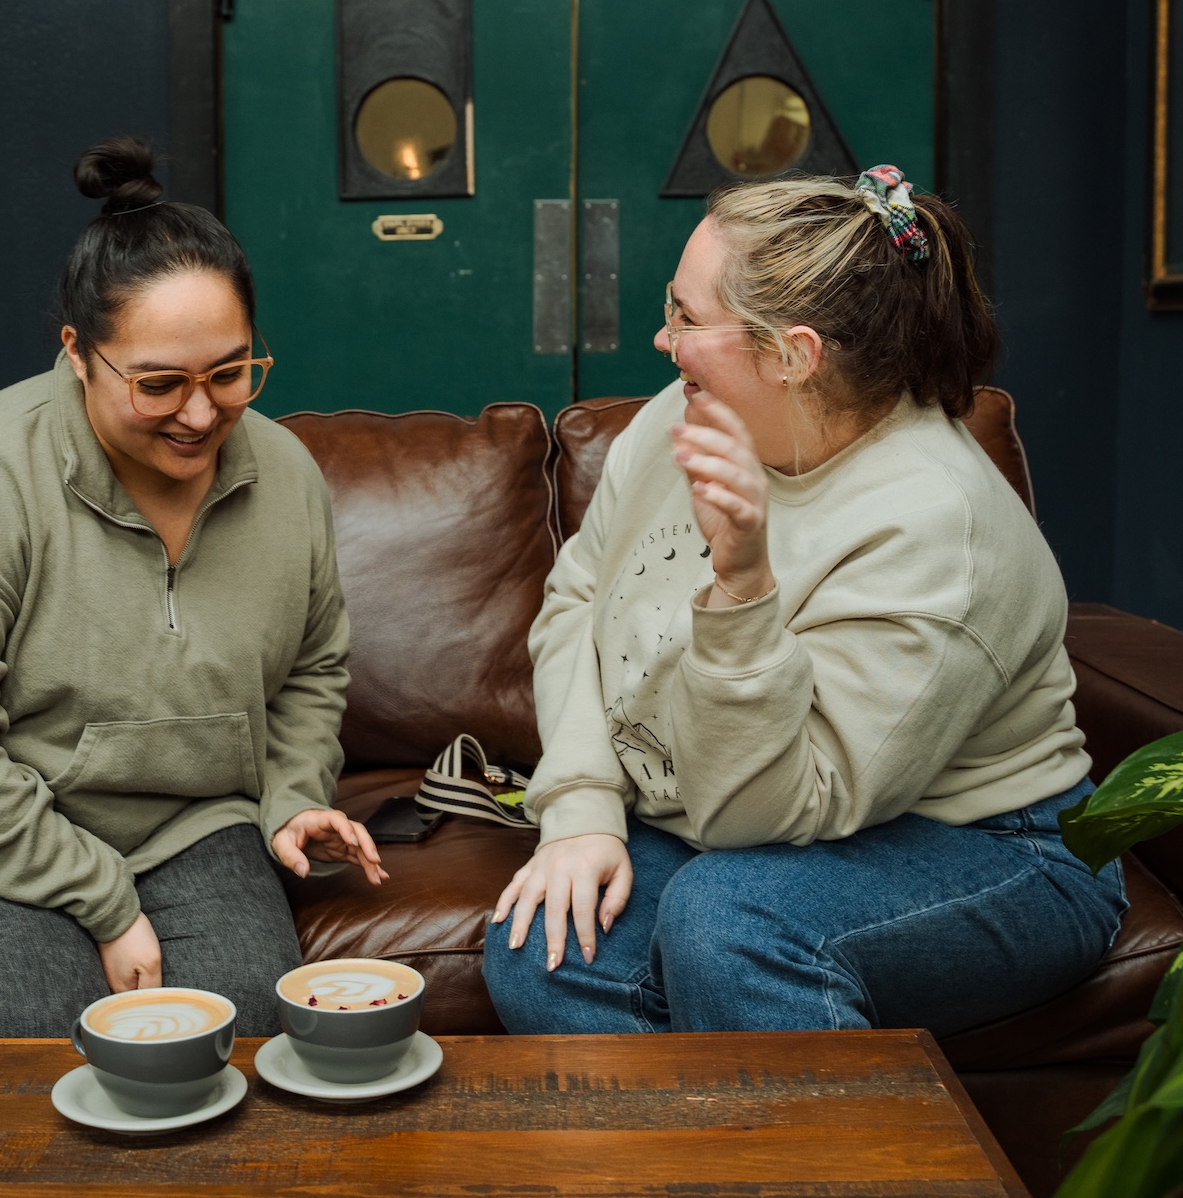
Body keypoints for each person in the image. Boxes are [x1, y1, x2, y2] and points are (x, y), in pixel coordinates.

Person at [482, 166, 1124, 1037]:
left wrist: (742, 585)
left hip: (995, 845)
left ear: (791, 354)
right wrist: (582, 810)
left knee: (733, 920)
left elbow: (766, 814)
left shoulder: (935, 528)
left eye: (687, 317)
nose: (662, 340)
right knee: (545, 944)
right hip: (722, 819)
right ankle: (705, 1165)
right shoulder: (682, 415)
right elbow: (577, 598)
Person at [0, 137, 384, 1038]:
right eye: (159, 383)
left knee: (245, 1050)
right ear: (79, 353)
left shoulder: (287, 474)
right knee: (43, 1050)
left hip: (187, 821)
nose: (201, 414)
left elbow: (311, 671)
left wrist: (293, 797)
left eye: (231, 373)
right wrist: (105, 903)